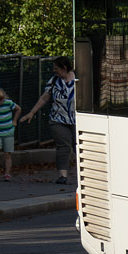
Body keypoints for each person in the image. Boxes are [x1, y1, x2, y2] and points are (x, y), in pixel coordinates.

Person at [22, 56, 77, 184]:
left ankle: (84, 174)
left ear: (64, 68)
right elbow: (44, 98)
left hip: (77, 120)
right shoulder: (54, 81)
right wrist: (32, 112)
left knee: (78, 146)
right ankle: (63, 175)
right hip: (58, 119)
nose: (55, 71)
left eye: (56, 68)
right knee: (63, 146)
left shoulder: (79, 79)